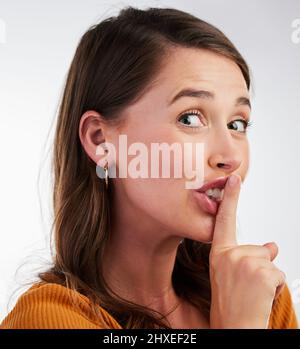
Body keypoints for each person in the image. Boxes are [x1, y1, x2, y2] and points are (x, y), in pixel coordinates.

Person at [1, 6, 298, 329]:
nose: (231, 156)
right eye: (190, 118)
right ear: (101, 141)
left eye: (237, 123)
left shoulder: (261, 297)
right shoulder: (48, 320)